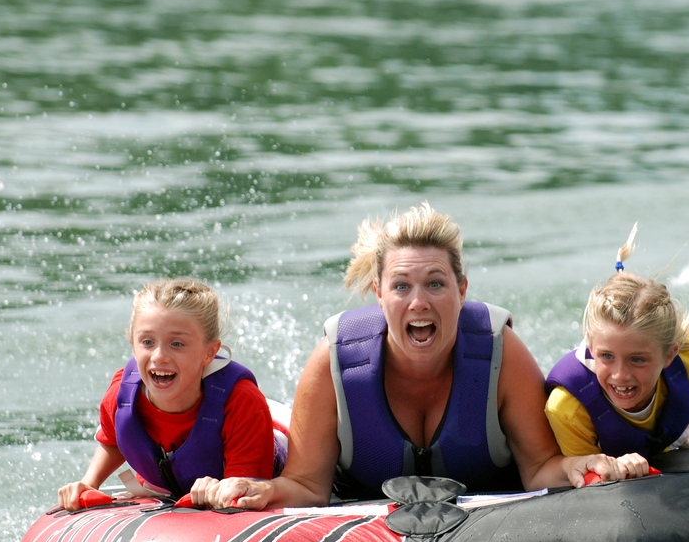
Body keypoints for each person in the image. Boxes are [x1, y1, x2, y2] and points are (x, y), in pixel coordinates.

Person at [198, 203, 633, 510]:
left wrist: (579, 466)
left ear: (462, 292)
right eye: (402, 286)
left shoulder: (500, 354)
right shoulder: (335, 362)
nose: (419, 302)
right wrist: (263, 492)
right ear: (379, 295)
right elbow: (308, 487)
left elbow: (538, 470)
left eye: (436, 284)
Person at [544, 224, 689, 477]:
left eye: (637, 359)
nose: (620, 375)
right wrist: (613, 471)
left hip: (669, 435)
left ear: (669, 355)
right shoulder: (569, 407)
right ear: (590, 347)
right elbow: (582, 478)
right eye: (607, 356)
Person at [56, 277, 278, 510]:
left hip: (268, 451)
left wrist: (218, 491)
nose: (159, 356)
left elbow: (244, 491)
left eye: (177, 344)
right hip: (163, 493)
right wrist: (88, 484)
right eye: (148, 342)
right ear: (133, 345)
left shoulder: (242, 403)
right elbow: (115, 439)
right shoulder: (121, 399)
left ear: (209, 353)